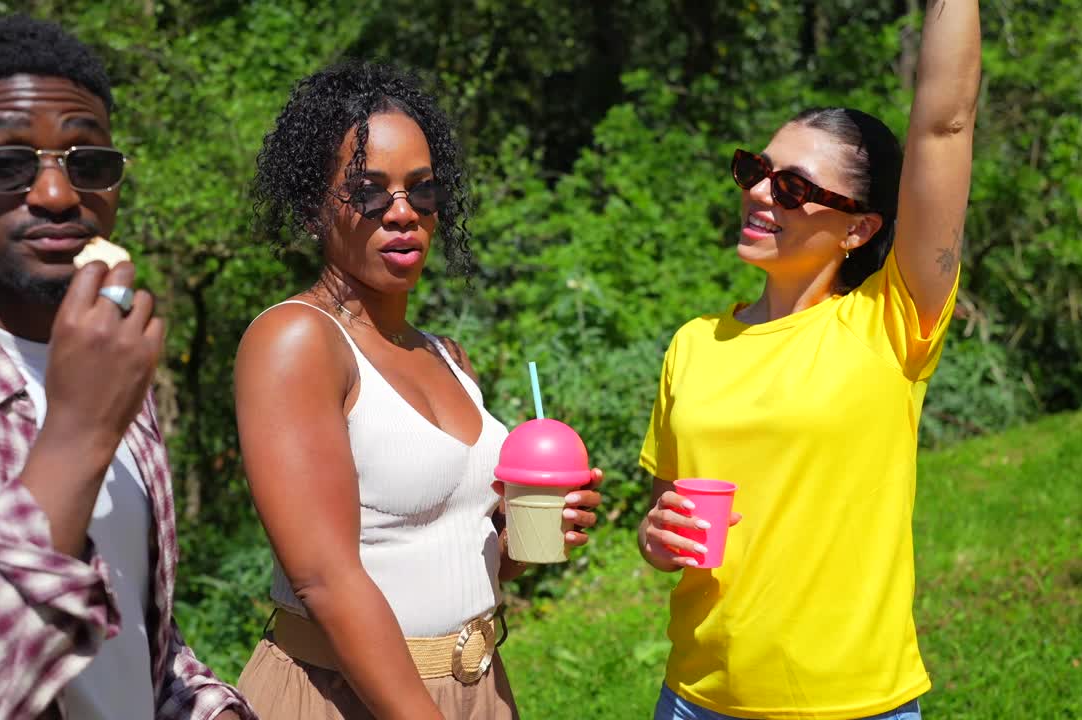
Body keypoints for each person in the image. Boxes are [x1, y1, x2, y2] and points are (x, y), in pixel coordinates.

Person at [0, 16, 253, 720]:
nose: (59, 195)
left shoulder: (107, 355)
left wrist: (211, 707)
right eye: (7, 163)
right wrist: (77, 436)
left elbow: (129, 632)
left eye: (88, 162)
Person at [637, 2, 981, 719]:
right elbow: (670, 512)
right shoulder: (694, 344)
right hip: (695, 699)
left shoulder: (891, 324)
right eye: (756, 169)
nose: (760, 193)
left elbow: (944, 124)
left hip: (854, 705)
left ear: (858, 227)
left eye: (793, 187)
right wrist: (654, 536)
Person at [232, 61, 604, 719]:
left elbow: (458, 550)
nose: (402, 213)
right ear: (312, 205)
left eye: (422, 191)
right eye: (369, 192)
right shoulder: (297, 342)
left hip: (477, 688)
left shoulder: (445, 357)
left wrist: (528, 533)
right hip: (345, 695)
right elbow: (324, 579)